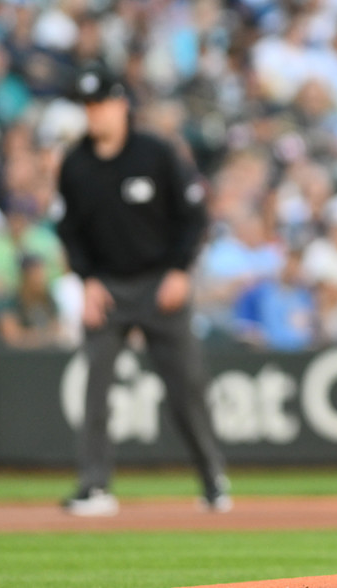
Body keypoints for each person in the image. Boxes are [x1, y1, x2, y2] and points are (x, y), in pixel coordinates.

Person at [55, 62, 229, 516]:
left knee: (185, 389)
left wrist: (179, 270)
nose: (94, 114)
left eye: (101, 103)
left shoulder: (155, 152)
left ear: (121, 103)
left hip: (160, 284)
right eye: (87, 105)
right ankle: (94, 486)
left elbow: (193, 216)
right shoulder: (75, 165)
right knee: (95, 387)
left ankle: (213, 479)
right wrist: (87, 279)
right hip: (108, 287)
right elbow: (70, 231)